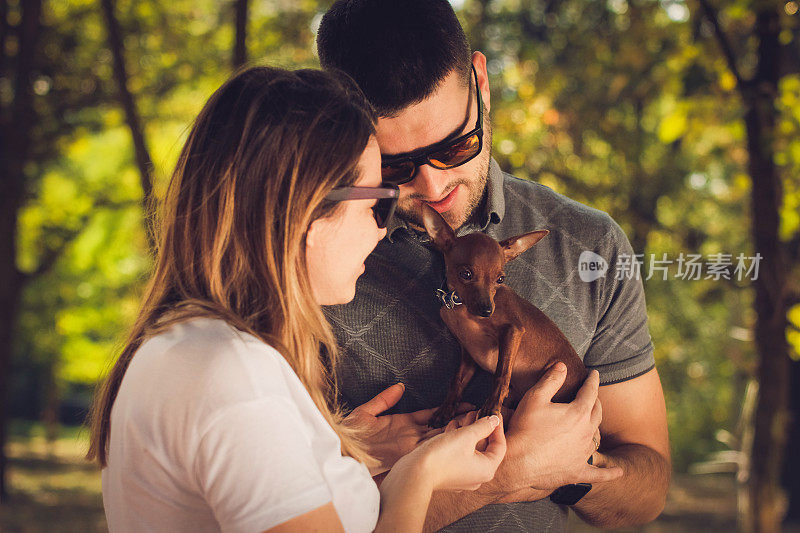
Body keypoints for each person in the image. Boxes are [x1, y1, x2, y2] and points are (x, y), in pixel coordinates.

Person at [85, 66, 511, 533]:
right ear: (308, 212)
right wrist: (419, 474)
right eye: (377, 203)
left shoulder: (191, 349)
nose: (381, 228)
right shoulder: (234, 376)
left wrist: (334, 451)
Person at [317, 1, 671, 531]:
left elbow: (648, 489)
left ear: (481, 84)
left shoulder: (591, 245)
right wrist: (510, 474)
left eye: (456, 146)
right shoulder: (305, 257)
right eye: (396, 166)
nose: (434, 188)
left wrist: (568, 471)